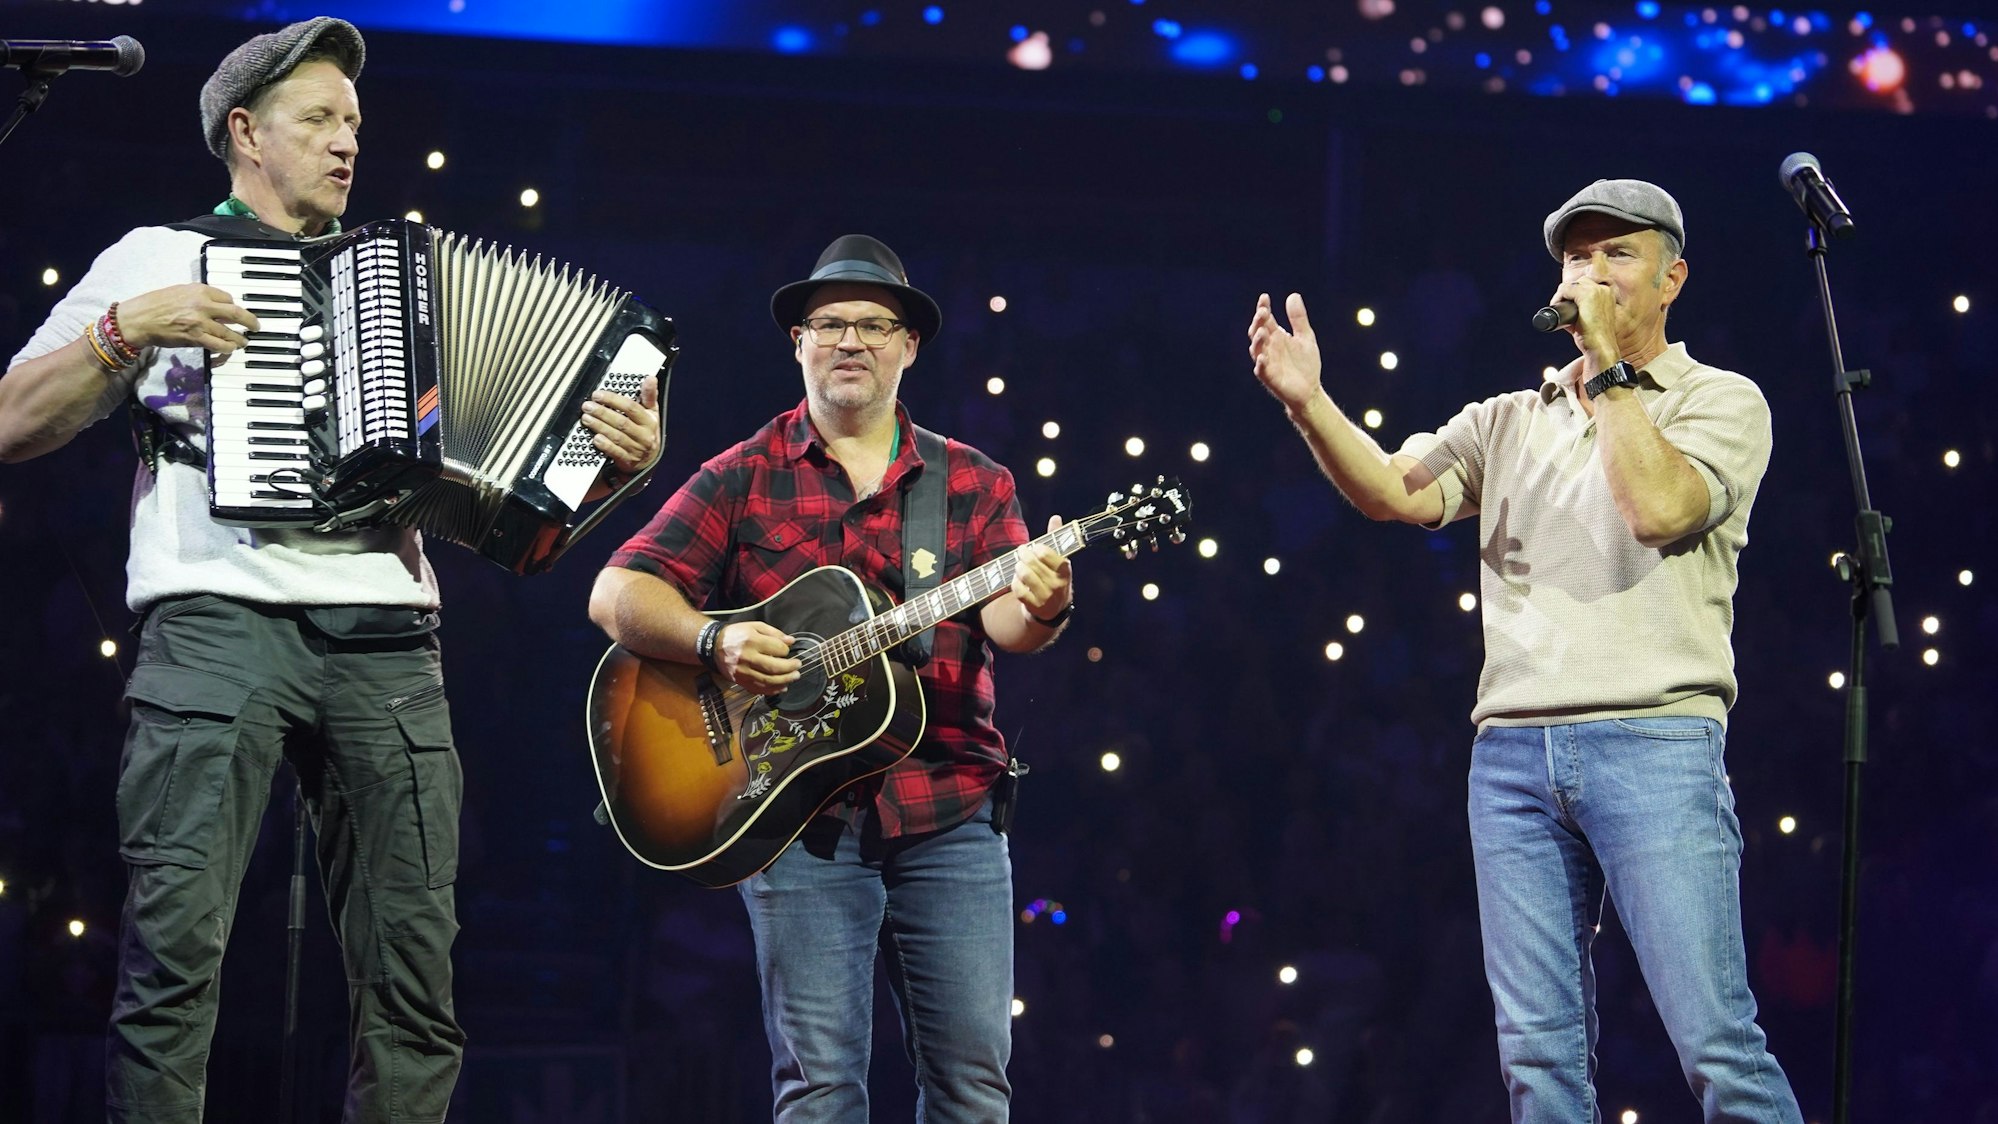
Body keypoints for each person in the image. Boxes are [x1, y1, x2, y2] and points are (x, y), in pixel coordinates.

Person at [0, 18, 660, 1122]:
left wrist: (610, 470)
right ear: (246, 134)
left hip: (388, 636)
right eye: (320, 119)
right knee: (175, 955)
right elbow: (14, 421)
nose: (348, 142)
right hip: (216, 622)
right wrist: (125, 330)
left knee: (415, 971)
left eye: (354, 123)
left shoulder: (401, 275)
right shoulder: (157, 254)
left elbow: (516, 519)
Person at [1247, 179, 1804, 1122]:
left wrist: (1610, 373)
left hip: (1656, 744)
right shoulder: (1506, 417)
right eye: (1574, 258)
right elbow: (1395, 491)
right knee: (1538, 1061)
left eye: (1615, 254)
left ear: (1673, 277)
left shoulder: (1722, 401)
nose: (1589, 272)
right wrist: (1310, 404)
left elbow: (1661, 509)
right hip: (1510, 757)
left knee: (1715, 1041)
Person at [590, 234, 1072, 1122]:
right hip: (796, 819)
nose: (851, 340)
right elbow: (616, 591)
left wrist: (1043, 600)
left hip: (952, 812)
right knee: (818, 1095)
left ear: (907, 346)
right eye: (830, 324)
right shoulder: (740, 475)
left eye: (874, 325)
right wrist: (713, 644)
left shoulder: (973, 480)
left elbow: (1008, 624)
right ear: (799, 343)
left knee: (973, 1089)